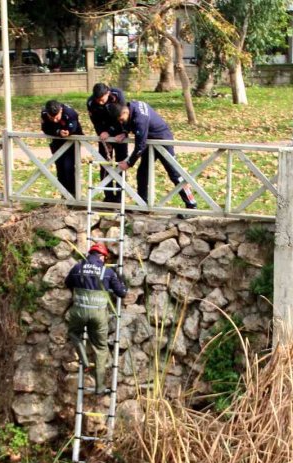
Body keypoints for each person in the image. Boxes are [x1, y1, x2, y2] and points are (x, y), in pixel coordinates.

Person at [107, 100, 197, 209]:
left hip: (163, 141)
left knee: (175, 174)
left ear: (125, 112)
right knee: (142, 172)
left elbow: (139, 146)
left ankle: (191, 204)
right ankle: (142, 203)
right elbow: (130, 123)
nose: (121, 123)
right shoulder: (132, 106)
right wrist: (125, 132)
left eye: (121, 120)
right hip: (150, 142)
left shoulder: (140, 119)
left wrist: (129, 163)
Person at [65, 242, 128, 395]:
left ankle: (85, 361)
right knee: (100, 349)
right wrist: (122, 280)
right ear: (102, 256)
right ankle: (100, 387)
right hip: (99, 315)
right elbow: (122, 293)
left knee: (73, 333)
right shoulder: (108, 272)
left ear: (90, 254)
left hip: (79, 312)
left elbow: (67, 283)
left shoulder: (77, 267)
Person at [86, 83, 129, 202]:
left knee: (121, 163)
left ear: (108, 93)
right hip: (104, 135)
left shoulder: (118, 95)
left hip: (119, 133)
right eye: (97, 100)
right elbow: (95, 121)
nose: (100, 102)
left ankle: (120, 197)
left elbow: (122, 115)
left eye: (102, 99)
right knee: (104, 164)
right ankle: (108, 196)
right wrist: (102, 134)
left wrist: (110, 132)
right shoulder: (90, 103)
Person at [40, 99, 83, 196]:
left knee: (69, 168)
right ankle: (64, 195)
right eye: (52, 118)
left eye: (57, 117)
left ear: (61, 111)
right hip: (56, 142)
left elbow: (73, 127)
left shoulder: (70, 113)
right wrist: (58, 132)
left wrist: (68, 132)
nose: (55, 120)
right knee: (60, 169)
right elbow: (45, 128)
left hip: (72, 142)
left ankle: (73, 195)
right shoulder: (44, 114)